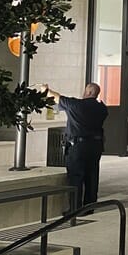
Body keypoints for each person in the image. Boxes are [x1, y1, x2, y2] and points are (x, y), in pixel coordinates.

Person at [44, 82, 107, 212]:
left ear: (89, 92)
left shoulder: (77, 105)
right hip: (95, 146)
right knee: (92, 177)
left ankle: (75, 208)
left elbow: (57, 97)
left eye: (85, 90)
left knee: (76, 177)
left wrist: (46, 90)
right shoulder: (102, 108)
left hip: (78, 146)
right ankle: (90, 207)